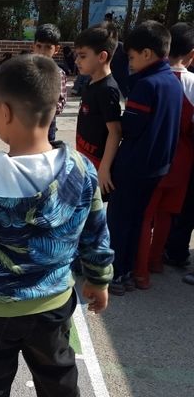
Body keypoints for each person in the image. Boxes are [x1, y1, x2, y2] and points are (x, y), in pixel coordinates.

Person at [0, 54, 114, 396]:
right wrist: (99, 278)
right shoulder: (82, 169)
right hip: (52, 303)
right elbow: (96, 233)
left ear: (4, 112)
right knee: (58, 378)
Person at [105, 21, 182, 295]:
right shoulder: (172, 82)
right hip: (158, 167)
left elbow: (132, 127)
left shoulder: (146, 85)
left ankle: (115, 274)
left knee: (118, 220)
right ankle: (127, 273)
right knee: (138, 222)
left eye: (134, 57)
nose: (132, 62)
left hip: (134, 166)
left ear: (147, 54)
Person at [135, 23, 194, 288]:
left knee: (146, 214)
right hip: (184, 161)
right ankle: (157, 261)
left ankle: (140, 271)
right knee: (166, 214)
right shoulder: (192, 83)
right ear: (191, 54)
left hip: (157, 157)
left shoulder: (152, 78)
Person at [74, 22, 122, 202]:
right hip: (85, 162)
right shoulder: (90, 82)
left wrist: (104, 168)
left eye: (83, 56)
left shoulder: (107, 89)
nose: (77, 61)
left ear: (102, 56)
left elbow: (115, 131)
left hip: (97, 166)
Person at [33, 24, 67, 142]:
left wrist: (45, 106)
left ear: (56, 49)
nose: (42, 51)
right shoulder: (26, 69)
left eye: (48, 47)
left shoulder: (58, 74)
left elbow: (61, 103)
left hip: (46, 125)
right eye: (39, 46)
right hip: (25, 122)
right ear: (34, 46)